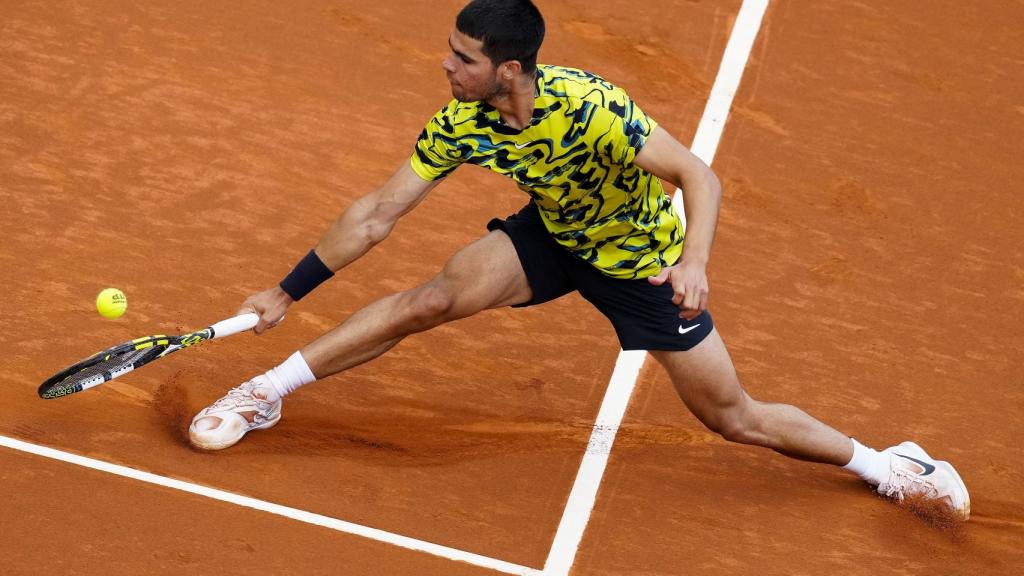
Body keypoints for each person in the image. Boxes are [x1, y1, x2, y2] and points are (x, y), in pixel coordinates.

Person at [188, 0, 969, 520]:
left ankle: (886, 463)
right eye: (449, 53)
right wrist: (286, 291)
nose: (447, 68)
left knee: (734, 418)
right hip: (555, 237)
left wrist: (695, 262)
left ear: (513, 69)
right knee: (431, 300)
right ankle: (267, 390)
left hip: (642, 265)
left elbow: (699, 175)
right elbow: (378, 213)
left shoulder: (593, 109)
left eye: (463, 59)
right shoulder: (464, 121)